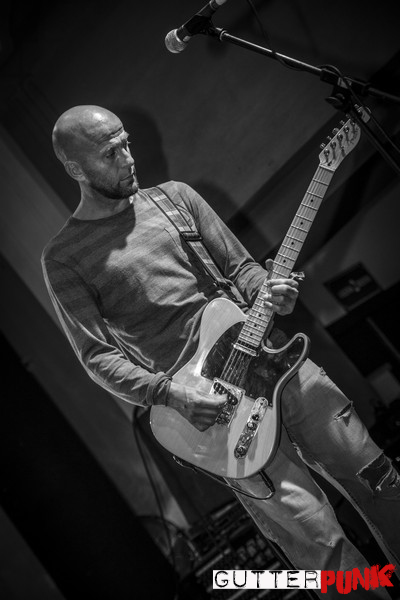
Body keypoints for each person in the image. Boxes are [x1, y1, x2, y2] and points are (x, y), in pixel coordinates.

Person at [42, 105, 399, 599]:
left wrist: (270, 292)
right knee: (321, 547)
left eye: (126, 143)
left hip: (279, 365)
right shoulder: (64, 258)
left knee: (380, 480)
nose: (128, 157)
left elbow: (242, 269)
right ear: (75, 167)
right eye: (110, 153)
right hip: (217, 413)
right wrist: (170, 395)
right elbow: (96, 357)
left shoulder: (175, 198)